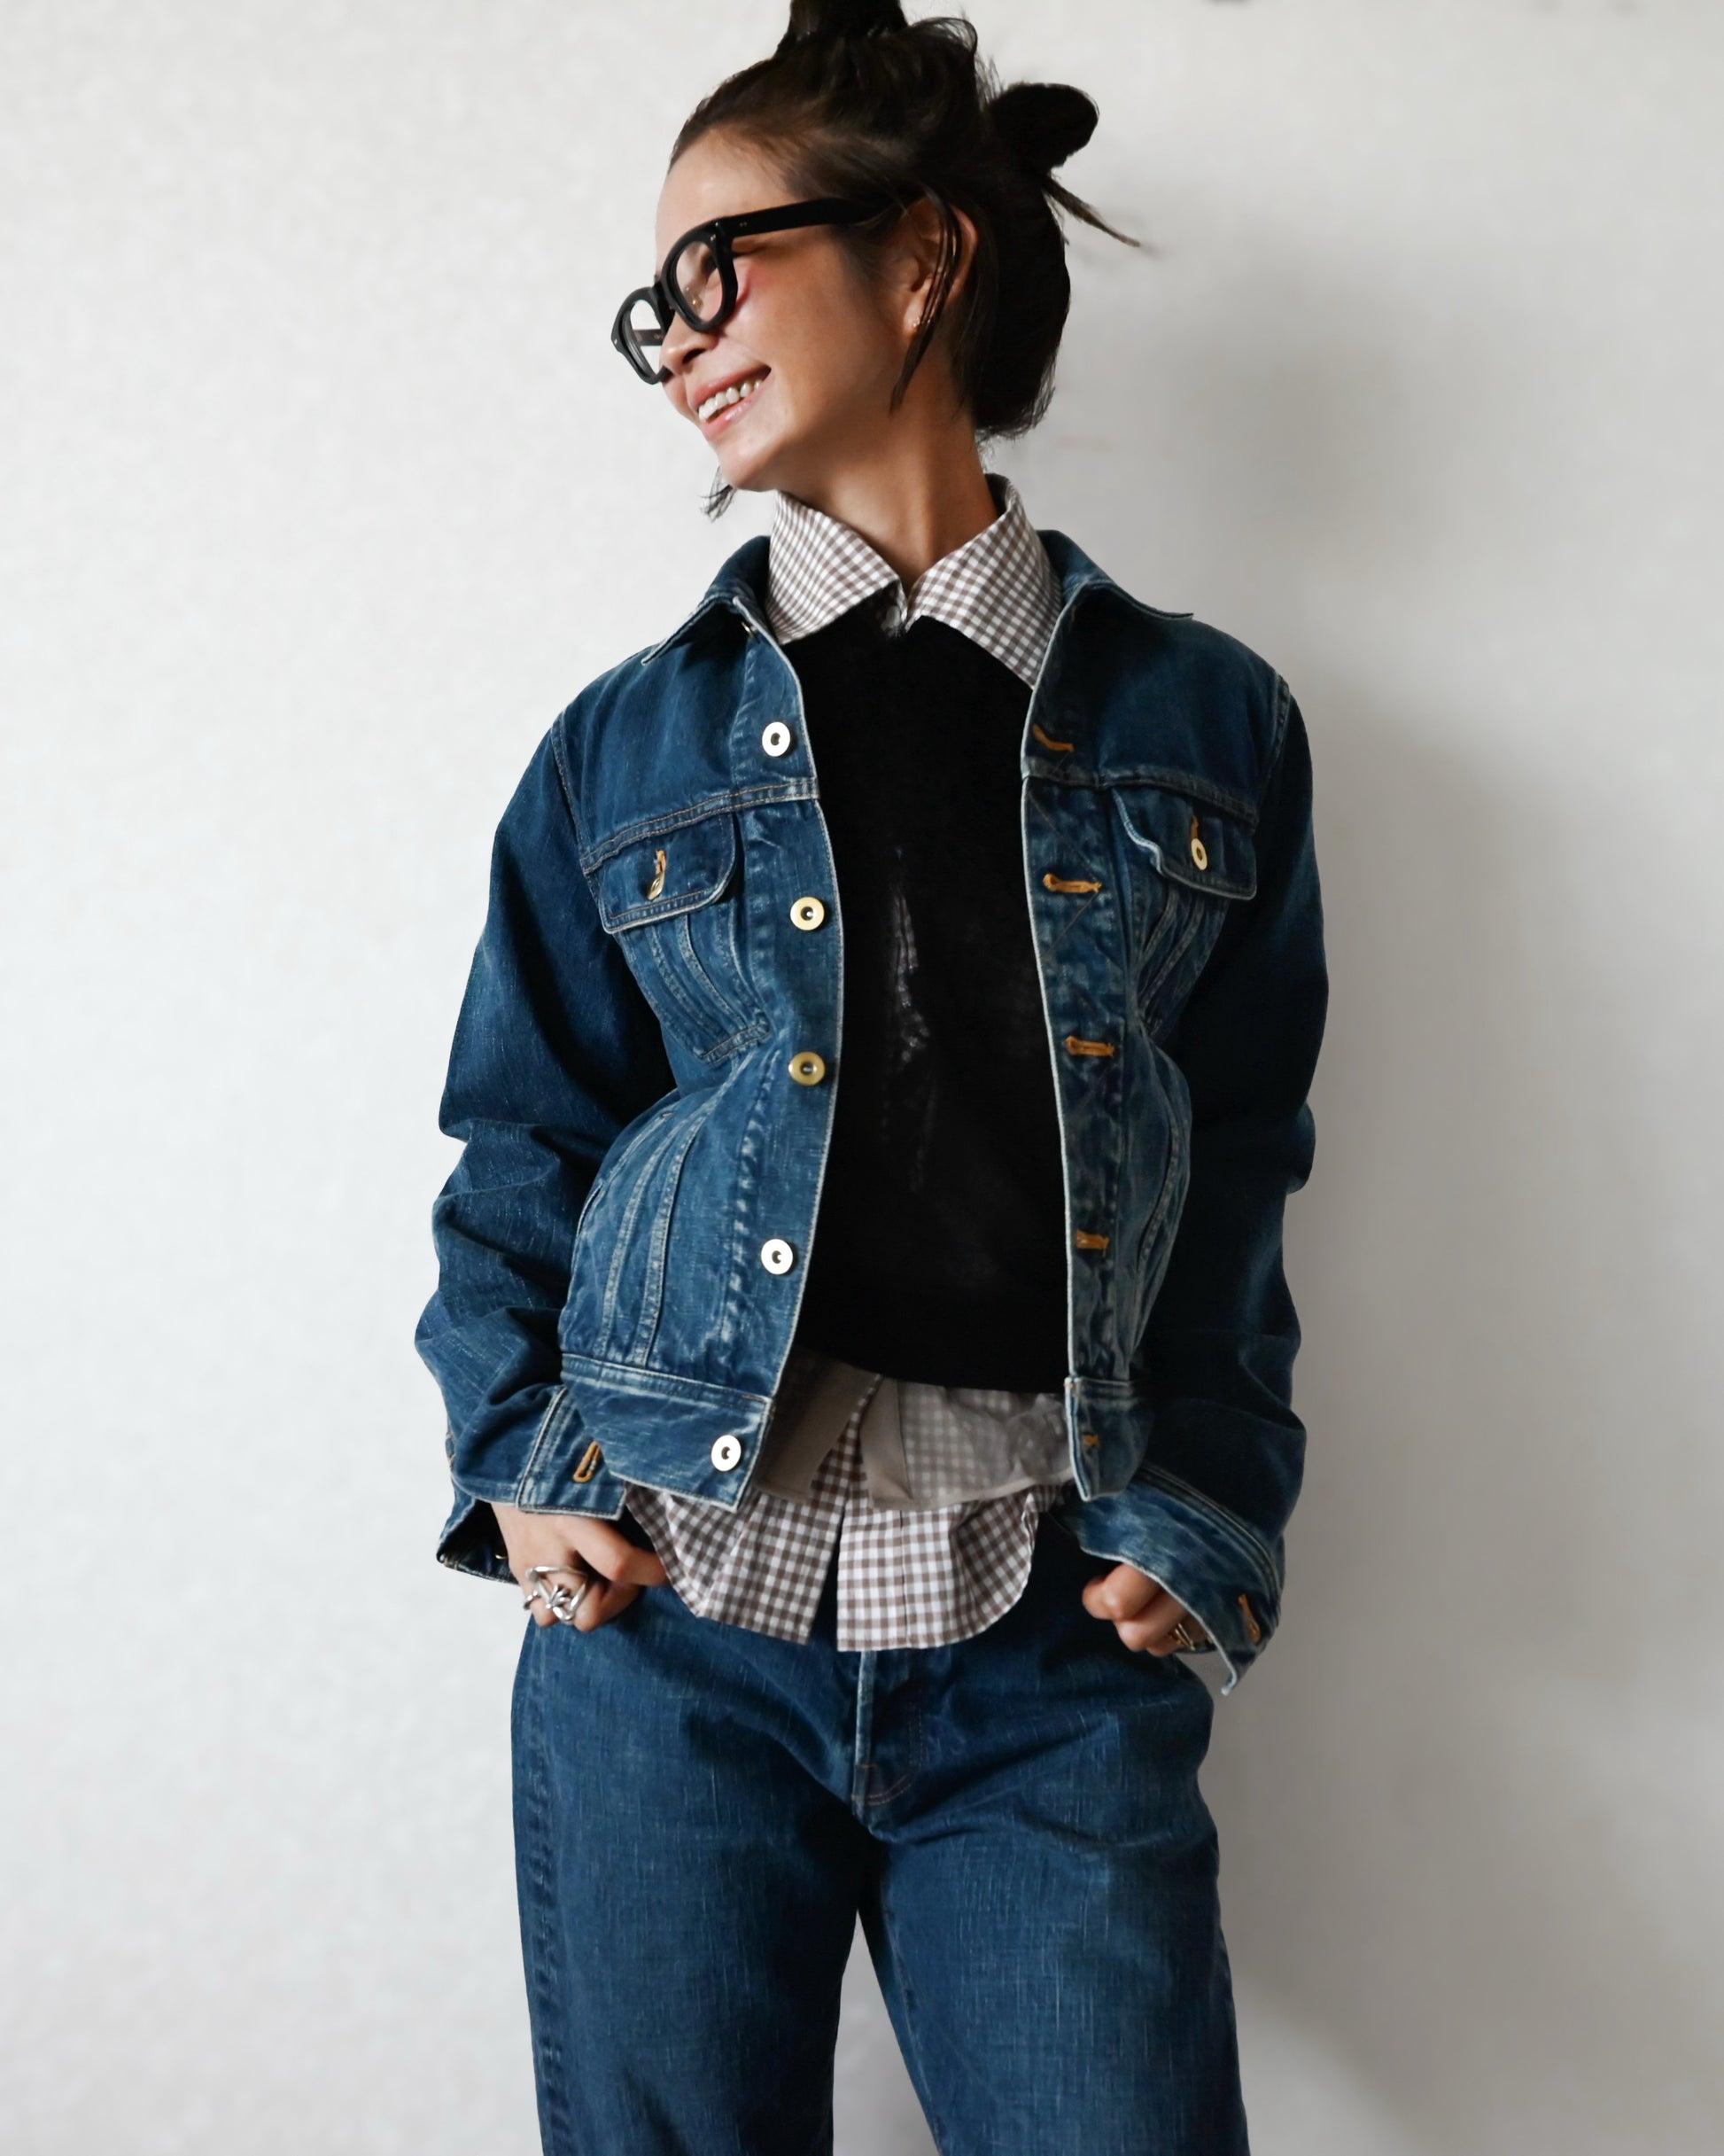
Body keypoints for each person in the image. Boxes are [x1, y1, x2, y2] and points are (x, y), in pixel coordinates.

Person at [415, 3, 1328, 2150]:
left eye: (715, 268)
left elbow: (1242, 1155)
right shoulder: (619, 745)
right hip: (672, 1613)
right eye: (652, 307)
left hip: (1047, 1633)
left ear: (922, 258)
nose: (678, 339)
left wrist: (1206, 1498)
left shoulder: (1209, 725)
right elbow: (525, 1131)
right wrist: (524, 1454)